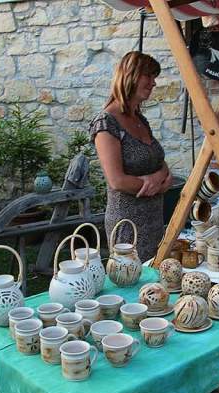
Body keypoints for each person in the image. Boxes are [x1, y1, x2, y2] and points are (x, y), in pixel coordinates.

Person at [89, 52, 172, 262]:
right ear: (130, 75)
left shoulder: (140, 120)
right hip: (127, 224)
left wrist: (160, 176)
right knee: (131, 277)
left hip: (154, 218)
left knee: (154, 276)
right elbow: (117, 181)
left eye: (154, 77)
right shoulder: (106, 123)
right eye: (148, 76)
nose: (153, 83)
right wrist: (157, 185)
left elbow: (159, 161)